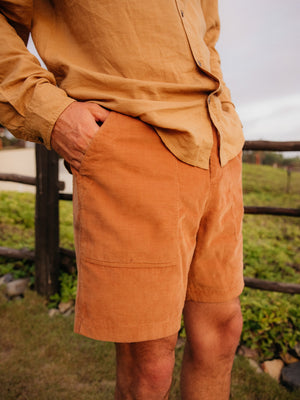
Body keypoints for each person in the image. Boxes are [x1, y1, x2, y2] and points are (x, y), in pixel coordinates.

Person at [0, 1, 245, 399]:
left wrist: (226, 110)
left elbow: (208, 37)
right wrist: (49, 112)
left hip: (217, 145)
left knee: (221, 331)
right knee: (149, 364)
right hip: (133, 142)